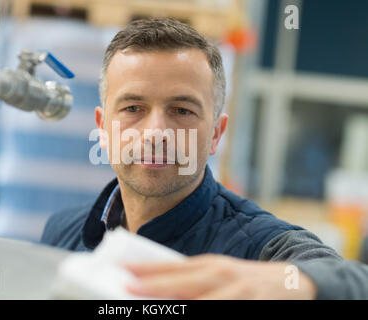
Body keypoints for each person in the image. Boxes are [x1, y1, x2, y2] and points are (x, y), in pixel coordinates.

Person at [41, 18, 368, 299]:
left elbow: (355, 282)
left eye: (182, 110)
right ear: (102, 127)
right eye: (132, 108)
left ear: (215, 133)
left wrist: (292, 283)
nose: (156, 132)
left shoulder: (257, 249)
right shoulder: (63, 232)